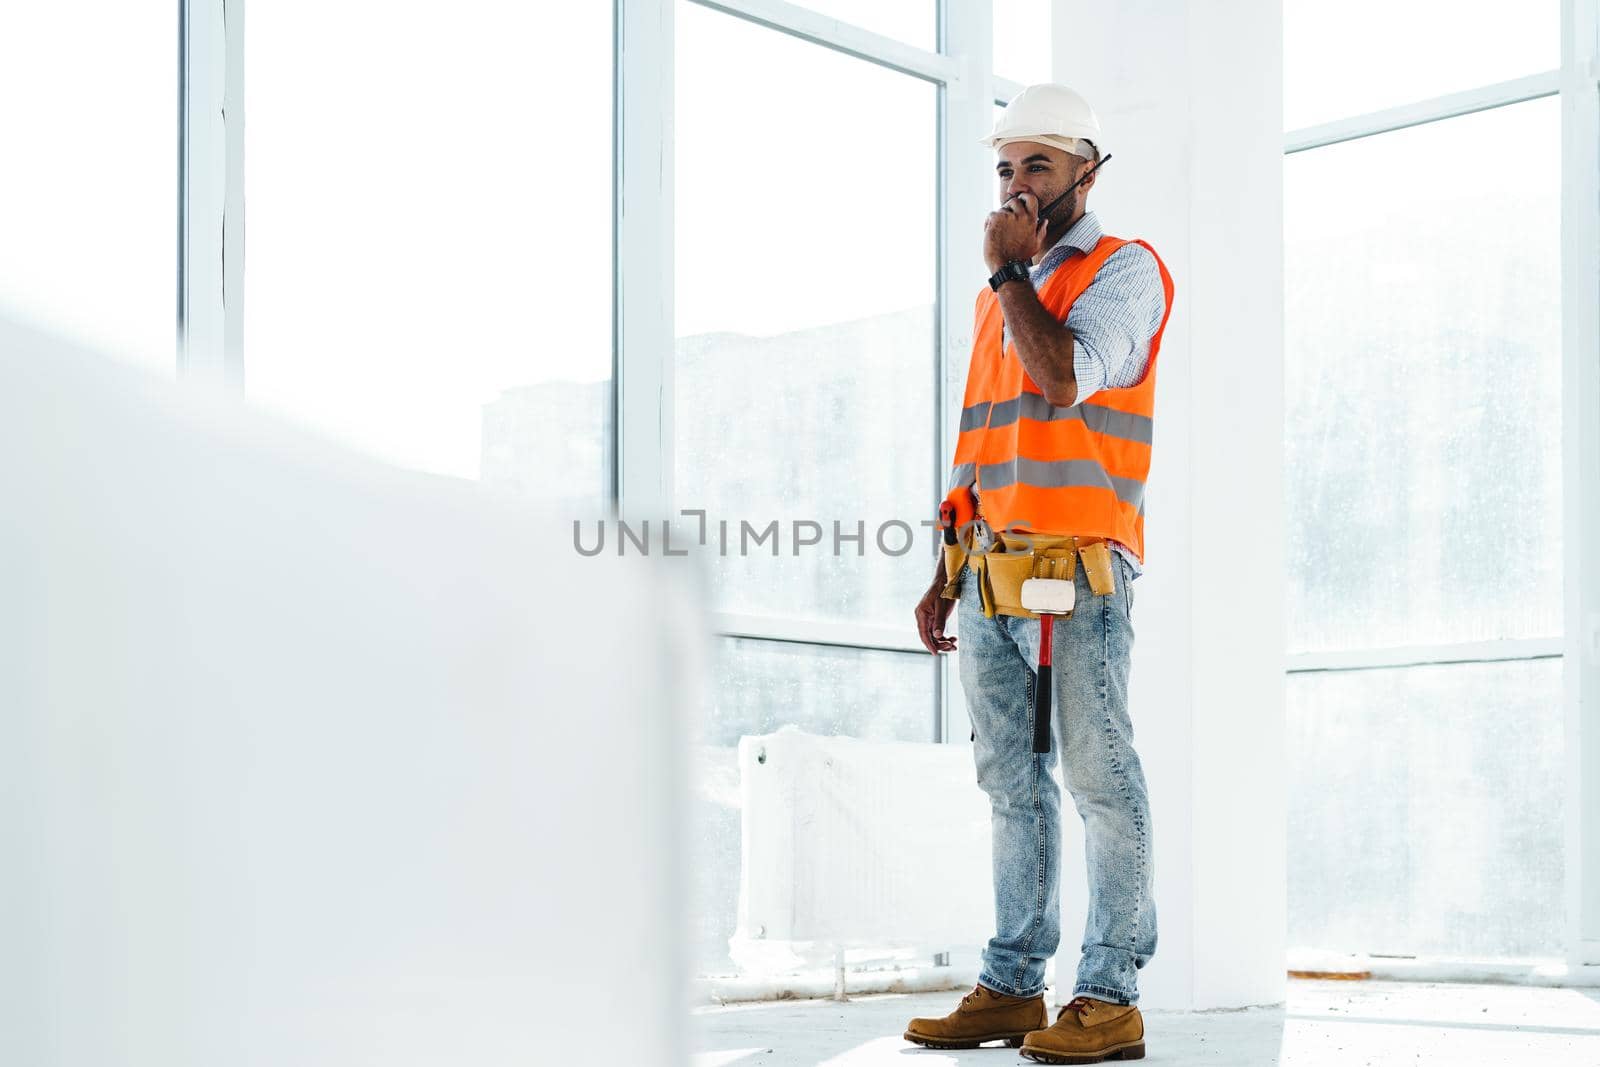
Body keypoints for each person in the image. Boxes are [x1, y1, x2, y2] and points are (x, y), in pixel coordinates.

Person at [904, 83, 1173, 1064]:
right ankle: (1013, 982)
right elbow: (982, 442)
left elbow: (1063, 380)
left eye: (1039, 167)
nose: (1018, 185)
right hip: (986, 572)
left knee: (1101, 776)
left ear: (1087, 173)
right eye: (1007, 168)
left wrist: (1010, 277)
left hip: (1076, 571)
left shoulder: (1120, 270)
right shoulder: (1000, 294)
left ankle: (1108, 993)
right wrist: (943, 568)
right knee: (1008, 780)